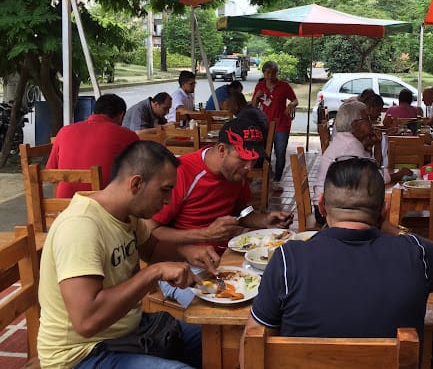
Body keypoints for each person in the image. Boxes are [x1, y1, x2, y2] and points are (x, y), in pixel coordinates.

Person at [246, 156, 433, 342]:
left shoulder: (287, 260)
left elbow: (253, 343)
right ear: (384, 210)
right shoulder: (417, 254)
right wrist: (396, 230)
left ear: (322, 205)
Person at [38, 141, 219, 368]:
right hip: (80, 355)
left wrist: (189, 253)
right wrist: (154, 273)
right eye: (164, 190)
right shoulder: (81, 226)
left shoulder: (127, 214)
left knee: (219, 340)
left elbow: (152, 249)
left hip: (130, 332)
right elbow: (86, 321)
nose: (168, 201)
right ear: (136, 184)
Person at [146, 118, 293, 306]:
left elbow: (241, 211)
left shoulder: (236, 174)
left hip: (224, 262)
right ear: (222, 150)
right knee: (218, 312)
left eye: (253, 160)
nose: (249, 167)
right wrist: (205, 234)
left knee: (274, 297)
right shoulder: (182, 173)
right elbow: (151, 232)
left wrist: (265, 220)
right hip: (181, 269)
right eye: (243, 159)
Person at [47, 94, 139, 198]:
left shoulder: (64, 131)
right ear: (121, 115)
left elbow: (51, 173)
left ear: (94, 111)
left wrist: (58, 207)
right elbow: (138, 173)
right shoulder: (127, 135)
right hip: (103, 207)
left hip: (65, 207)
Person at [313, 101, 411, 198]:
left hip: (334, 202)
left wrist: (374, 145)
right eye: (367, 119)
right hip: (329, 208)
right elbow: (373, 179)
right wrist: (398, 175)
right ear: (356, 124)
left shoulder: (347, 139)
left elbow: (373, 168)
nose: (371, 123)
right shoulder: (350, 145)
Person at [251, 61, 298, 190]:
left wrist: (290, 105)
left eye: (273, 72)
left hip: (281, 124)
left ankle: (277, 179)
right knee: (264, 151)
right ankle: (264, 175)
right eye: (268, 72)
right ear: (263, 73)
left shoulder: (284, 86)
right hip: (264, 125)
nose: (270, 75)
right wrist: (257, 96)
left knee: (280, 152)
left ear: (277, 73)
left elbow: (295, 100)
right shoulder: (260, 86)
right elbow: (253, 106)